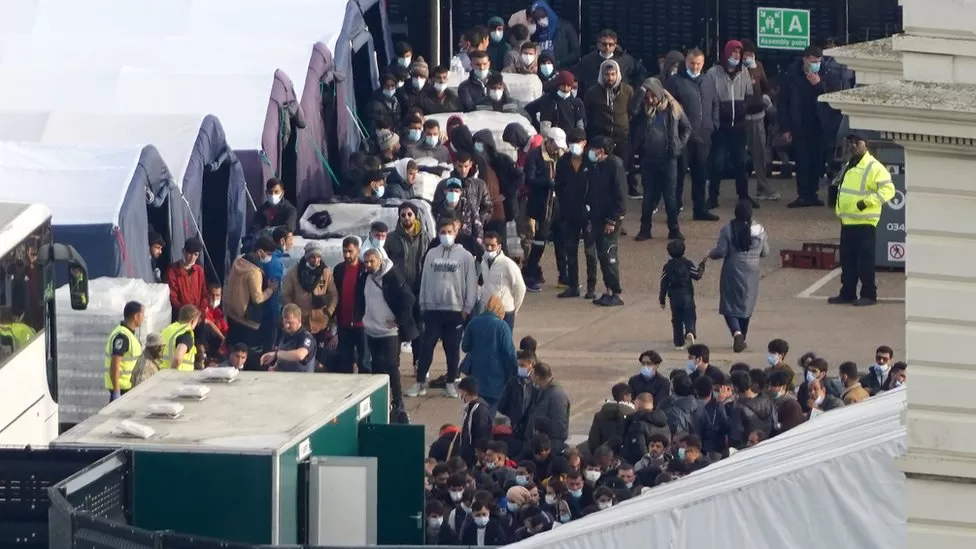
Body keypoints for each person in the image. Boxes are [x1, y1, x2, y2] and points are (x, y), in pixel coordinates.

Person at [408, 218, 479, 398]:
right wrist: (423, 303)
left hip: (455, 310)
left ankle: (450, 382)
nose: (446, 236)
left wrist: (467, 307)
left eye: (449, 232)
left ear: (455, 234)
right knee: (427, 346)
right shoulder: (431, 254)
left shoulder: (465, 256)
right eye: (442, 232)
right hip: (433, 309)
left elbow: (471, 283)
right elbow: (424, 280)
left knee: (452, 347)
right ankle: (420, 382)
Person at [827, 133, 895, 306]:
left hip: (865, 222)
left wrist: (866, 203)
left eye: (857, 142)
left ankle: (869, 294)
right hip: (848, 220)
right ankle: (848, 292)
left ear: (866, 144)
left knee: (865, 262)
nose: (853, 145)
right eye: (851, 142)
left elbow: (888, 190)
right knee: (848, 261)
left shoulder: (874, 167)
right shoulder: (850, 165)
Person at [780, 45, 850, 208]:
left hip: (819, 123)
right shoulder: (792, 74)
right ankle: (803, 195)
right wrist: (785, 127)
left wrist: (818, 84)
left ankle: (813, 193)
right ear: (805, 60)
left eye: (819, 61)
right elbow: (783, 102)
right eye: (813, 61)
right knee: (802, 161)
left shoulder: (826, 73)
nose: (816, 64)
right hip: (800, 123)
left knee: (817, 161)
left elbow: (832, 96)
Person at [632, 77, 692, 241]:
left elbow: (687, 128)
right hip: (648, 159)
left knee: (670, 197)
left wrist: (679, 145)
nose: (650, 100)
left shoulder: (673, 108)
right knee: (648, 196)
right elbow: (632, 110)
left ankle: (674, 229)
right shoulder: (643, 111)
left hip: (668, 158)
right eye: (647, 97)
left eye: (653, 96)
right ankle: (645, 229)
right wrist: (641, 92)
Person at [708, 200, 769, 352]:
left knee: (729, 304)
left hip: (732, 269)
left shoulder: (728, 229)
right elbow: (765, 252)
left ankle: (737, 333)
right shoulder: (759, 230)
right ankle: (743, 336)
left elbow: (721, 251)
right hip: (752, 271)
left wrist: (709, 254)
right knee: (746, 304)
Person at [666, 48, 719, 221]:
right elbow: (668, 108)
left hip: (704, 135)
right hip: (682, 136)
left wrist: (713, 124)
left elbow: (715, 103)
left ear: (703, 64)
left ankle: (700, 209)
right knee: (678, 176)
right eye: (692, 63)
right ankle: (673, 211)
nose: (695, 67)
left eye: (698, 64)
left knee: (701, 174)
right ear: (686, 62)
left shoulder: (708, 81)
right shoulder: (675, 81)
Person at [362, 248, 417, 413]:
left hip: (388, 332)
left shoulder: (392, 276)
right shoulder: (366, 277)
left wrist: (399, 320)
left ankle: (398, 402)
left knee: (391, 366)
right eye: (366, 262)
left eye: (372, 261)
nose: (369, 265)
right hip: (371, 329)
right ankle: (381, 399)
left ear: (379, 260)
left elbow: (409, 298)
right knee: (376, 366)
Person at [704, 40, 755, 209]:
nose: (737, 56)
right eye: (734, 53)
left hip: (739, 126)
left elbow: (749, 94)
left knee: (741, 163)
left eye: (739, 53)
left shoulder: (744, 72)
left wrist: (744, 108)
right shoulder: (713, 73)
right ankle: (713, 197)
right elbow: (708, 99)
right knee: (717, 163)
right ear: (726, 53)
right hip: (721, 127)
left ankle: (744, 197)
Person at [523, 127, 568, 291]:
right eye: (555, 145)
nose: (557, 149)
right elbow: (530, 178)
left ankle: (564, 275)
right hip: (542, 205)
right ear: (548, 141)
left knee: (561, 240)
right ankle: (530, 274)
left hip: (558, 204)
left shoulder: (562, 155)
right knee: (540, 240)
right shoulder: (534, 155)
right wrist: (548, 183)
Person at [583, 60, 635, 198]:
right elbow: (587, 115)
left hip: (621, 139)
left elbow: (631, 112)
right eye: (607, 74)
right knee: (600, 172)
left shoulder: (628, 91)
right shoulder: (592, 93)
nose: (610, 78)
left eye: (613, 74)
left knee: (619, 172)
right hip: (600, 139)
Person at [585, 136, 627, 307]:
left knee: (609, 254)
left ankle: (615, 291)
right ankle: (608, 290)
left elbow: (621, 198)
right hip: (597, 216)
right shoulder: (596, 166)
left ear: (601, 151)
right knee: (602, 254)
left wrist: (613, 220)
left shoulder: (614, 166)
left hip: (609, 220)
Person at [461, 295, 517, 417]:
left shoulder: (473, 322)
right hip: (496, 376)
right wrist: (514, 373)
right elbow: (509, 353)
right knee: (490, 411)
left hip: (476, 373)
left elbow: (465, 346)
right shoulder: (502, 326)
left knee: (476, 408)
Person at [224, 236, 279, 353]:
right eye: (269, 254)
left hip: (232, 312)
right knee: (244, 353)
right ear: (260, 252)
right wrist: (270, 290)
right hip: (246, 319)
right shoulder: (254, 272)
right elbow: (257, 298)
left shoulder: (238, 260)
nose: (270, 257)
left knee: (232, 349)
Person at [740, 40, 777, 201]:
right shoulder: (735, 69)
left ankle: (762, 186)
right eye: (746, 54)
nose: (749, 57)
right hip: (740, 117)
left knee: (760, 152)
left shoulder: (758, 67)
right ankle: (741, 190)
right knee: (739, 155)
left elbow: (766, 86)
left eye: (752, 55)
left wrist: (767, 96)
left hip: (757, 116)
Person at [472, 130, 523, 241]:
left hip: (500, 209)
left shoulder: (502, 160)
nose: (477, 145)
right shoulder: (476, 163)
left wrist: (505, 194)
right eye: (475, 142)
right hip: (483, 211)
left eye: (480, 142)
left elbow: (520, 177)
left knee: (500, 241)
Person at [659, 239, 706, 349]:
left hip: (673, 296)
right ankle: (690, 331)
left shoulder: (667, 266)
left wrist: (662, 300)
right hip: (687, 294)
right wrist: (702, 265)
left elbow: (663, 283)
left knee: (676, 319)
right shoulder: (687, 264)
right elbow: (697, 275)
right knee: (690, 315)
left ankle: (679, 342)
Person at [281, 240, 339, 329]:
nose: (316, 260)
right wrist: (293, 314)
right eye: (312, 257)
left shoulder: (326, 273)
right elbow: (285, 295)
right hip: (299, 322)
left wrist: (329, 311)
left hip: (320, 321)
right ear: (307, 257)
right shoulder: (293, 273)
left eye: (318, 257)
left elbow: (334, 295)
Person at [333, 236, 369, 374]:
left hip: (361, 323)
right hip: (344, 323)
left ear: (358, 251)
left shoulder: (364, 270)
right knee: (345, 361)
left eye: (350, 251)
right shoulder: (339, 269)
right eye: (344, 251)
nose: (347, 255)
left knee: (364, 360)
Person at [481, 232, 526, 329]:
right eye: (487, 245)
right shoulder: (483, 263)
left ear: (499, 247)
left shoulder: (508, 264)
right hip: (488, 311)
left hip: (505, 312)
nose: (489, 248)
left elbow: (520, 288)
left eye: (492, 246)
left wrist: (514, 308)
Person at [573, 29, 639, 94]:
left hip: (619, 98)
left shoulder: (626, 60)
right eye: (604, 44)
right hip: (595, 98)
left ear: (615, 45)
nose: (607, 47)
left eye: (610, 44)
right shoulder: (587, 61)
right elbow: (577, 77)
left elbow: (639, 74)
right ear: (598, 44)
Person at [105, 301, 144, 401]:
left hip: (128, 387)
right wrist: (117, 391)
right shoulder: (122, 336)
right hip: (122, 389)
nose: (143, 318)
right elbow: (115, 364)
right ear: (136, 316)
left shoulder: (129, 334)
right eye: (142, 315)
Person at [498, 349, 539, 445]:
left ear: (532, 365)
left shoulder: (537, 385)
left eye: (522, 366)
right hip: (516, 429)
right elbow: (502, 405)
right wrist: (514, 415)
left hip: (533, 430)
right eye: (519, 365)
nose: (520, 368)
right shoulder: (513, 383)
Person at [260, 304, 316, 373]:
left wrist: (275, 354)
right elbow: (284, 354)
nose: (287, 326)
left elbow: (300, 355)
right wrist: (275, 367)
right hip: (282, 378)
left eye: (290, 323)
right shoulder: (285, 334)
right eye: (285, 322)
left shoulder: (306, 337)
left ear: (299, 320)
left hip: (300, 380)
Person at [526, 363, 570, 448]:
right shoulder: (544, 391)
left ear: (537, 377)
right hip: (541, 443)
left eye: (532, 375)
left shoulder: (557, 396)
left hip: (550, 445)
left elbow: (559, 427)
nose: (531, 378)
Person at [527, 70, 586, 135]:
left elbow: (580, 126)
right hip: (552, 139)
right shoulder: (548, 100)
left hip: (571, 139)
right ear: (558, 85)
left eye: (568, 86)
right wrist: (537, 127)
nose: (566, 88)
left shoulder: (577, 103)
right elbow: (545, 127)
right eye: (563, 85)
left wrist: (578, 139)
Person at [727, 370, 775, 448]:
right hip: (768, 443)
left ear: (736, 388)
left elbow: (735, 436)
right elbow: (774, 423)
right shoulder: (766, 399)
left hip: (748, 448)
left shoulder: (738, 408)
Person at [527, 1, 580, 68]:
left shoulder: (565, 27)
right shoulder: (534, 31)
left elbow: (576, 52)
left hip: (561, 70)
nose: (540, 20)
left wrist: (559, 62)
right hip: (541, 71)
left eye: (543, 16)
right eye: (537, 18)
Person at [164, 237, 208, 320]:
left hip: (197, 317)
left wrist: (199, 312)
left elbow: (204, 294)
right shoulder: (172, 270)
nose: (192, 258)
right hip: (180, 316)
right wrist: (185, 312)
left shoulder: (199, 270)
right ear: (183, 251)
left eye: (196, 254)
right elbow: (172, 296)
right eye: (190, 253)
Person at [457, 376, 493, 467]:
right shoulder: (470, 408)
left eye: (460, 391)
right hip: (467, 456)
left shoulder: (479, 410)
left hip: (474, 459)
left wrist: (478, 455)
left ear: (464, 392)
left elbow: (482, 434)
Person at [159, 305, 202, 371]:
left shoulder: (168, 329)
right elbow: (177, 359)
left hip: (160, 373)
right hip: (178, 377)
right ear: (192, 321)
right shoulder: (186, 334)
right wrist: (171, 373)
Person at [366, 73, 403, 138]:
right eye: (387, 85)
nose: (390, 88)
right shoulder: (375, 104)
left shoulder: (396, 102)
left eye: (392, 85)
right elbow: (372, 127)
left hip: (394, 137)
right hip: (382, 139)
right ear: (382, 86)